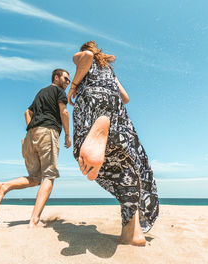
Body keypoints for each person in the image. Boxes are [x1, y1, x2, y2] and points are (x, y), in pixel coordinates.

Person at [67, 41, 159, 246]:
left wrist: (73, 88)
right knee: (127, 171)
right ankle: (132, 233)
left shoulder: (82, 55)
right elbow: (125, 98)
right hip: (116, 109)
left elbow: (87, 57)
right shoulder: (108, 69)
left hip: (91, 100)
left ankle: (101, 124)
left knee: (85, 154)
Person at [0, 68, 71, 228]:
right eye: (66, 79)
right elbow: (64, 113)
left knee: (35, 179)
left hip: (30, 136)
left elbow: (27, 112)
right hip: (47, 132)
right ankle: (34, 220)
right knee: (49, 177)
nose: (67, 82)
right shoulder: (59, 92)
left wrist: (32, 129)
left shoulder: (41, 92)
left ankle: (3, 187)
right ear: (56, 77)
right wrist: (67, 134)